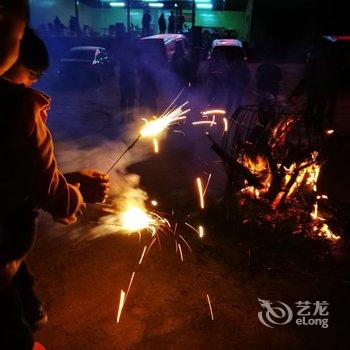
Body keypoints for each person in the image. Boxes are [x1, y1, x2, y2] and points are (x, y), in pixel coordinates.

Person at [0, 23, 109, 350]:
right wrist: (78, 193)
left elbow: (19, 172)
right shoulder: (19, 107)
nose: (33, 82)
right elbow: (53, 197)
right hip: (3, 239)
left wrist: (70, 179)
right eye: (32, 74)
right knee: (9, 322)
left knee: (20, 282)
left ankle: (32, 314)